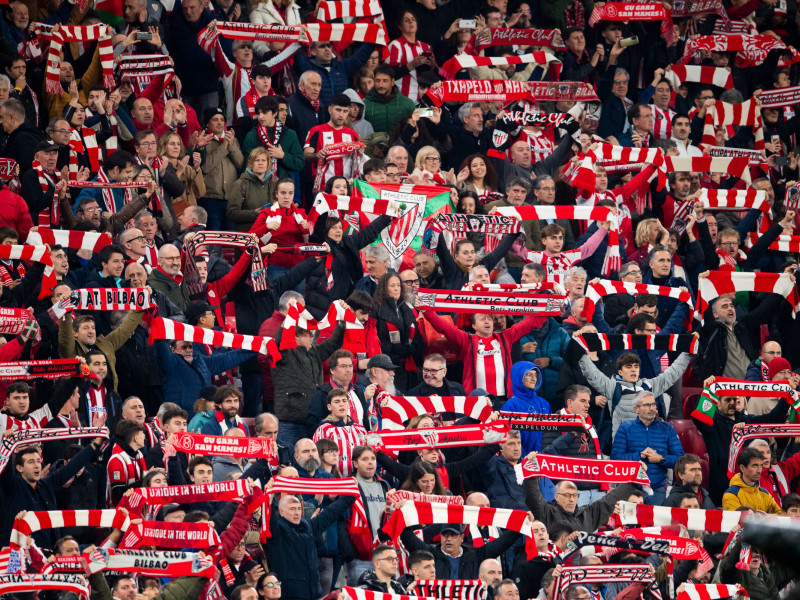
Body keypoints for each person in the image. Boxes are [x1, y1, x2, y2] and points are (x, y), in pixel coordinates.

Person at [610, 391, 684, 505]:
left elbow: (680, 459)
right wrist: (639, 455)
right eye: (647, 405)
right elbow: (615, 459)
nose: (652, 408)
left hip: (656, 489)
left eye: (653, 404)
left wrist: (661, 459)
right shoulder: (625, 428)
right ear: (636, 409)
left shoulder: (668, 428)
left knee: (653, 522)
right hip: (629, 488)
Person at [502, 363, 550, 455]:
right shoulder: (510, 406)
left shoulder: (544, 403)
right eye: (529, 375)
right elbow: (509, 438)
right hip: (521, 460)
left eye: (536, 375)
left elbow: (550, 434)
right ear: (518, 377)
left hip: (544, 458)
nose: (534, 379)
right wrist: (524, 458)